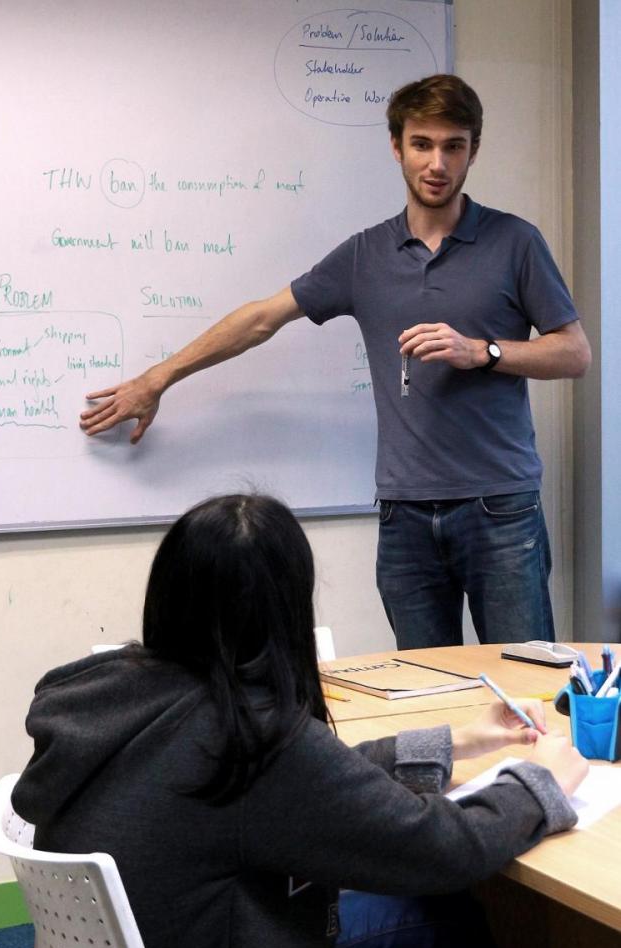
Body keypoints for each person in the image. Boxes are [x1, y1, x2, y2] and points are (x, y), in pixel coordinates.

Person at [78, 75, 590, 650]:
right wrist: (158, 378)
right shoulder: (366, 254)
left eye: (454, 146)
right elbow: (261, 318)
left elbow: (574, 353)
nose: (437, 163)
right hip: (404, 516)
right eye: (422, 144)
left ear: (474, 150)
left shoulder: (516, 242)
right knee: (426, 684)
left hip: (500, 507)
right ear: (396, 146)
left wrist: (483, 351)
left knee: (528, 681)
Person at [13, 492, 587, 948]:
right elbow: (442, 848)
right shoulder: (246, 737)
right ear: (286, 608)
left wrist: (454, 742)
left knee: (437, 916)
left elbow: (309, 789)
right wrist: (540, 784)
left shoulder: (122, 695)